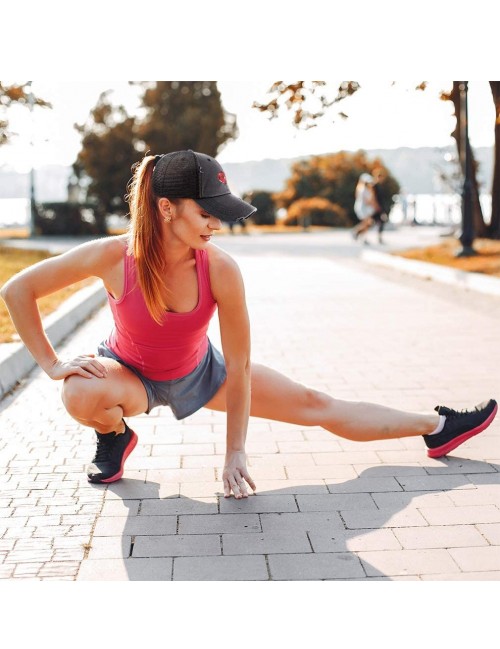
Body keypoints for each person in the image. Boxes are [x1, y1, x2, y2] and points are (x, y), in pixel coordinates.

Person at [1, 150, 497, 500]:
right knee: (78, 394)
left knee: (317, 405)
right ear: (166, 208)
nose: (218, 224)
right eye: (207, 213)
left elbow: (237, 366)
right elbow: (17, 290)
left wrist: (234, 452)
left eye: (222, 213)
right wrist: (52, 364)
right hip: (129, 376)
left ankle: (436, 427)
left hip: (204, 373)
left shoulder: (219, 268)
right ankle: (114, 435)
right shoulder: (113, 256)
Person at [352, 173, 377, 244]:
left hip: (364, 208)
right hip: (363, 208)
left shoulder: (362, 188)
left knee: (367, 224)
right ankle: (357, 233)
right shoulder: (363, 189)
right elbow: (367, 201)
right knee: (367, 223)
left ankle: (359, 234)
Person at [371, 168, 389, 244]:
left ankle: (379, 238)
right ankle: (357, 233)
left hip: (379, 206)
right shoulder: (374, 185)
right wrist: (376, 206)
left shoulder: (380, 186)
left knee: (380, 222)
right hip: (376, 207)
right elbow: (373, 197)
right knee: (369, 222)